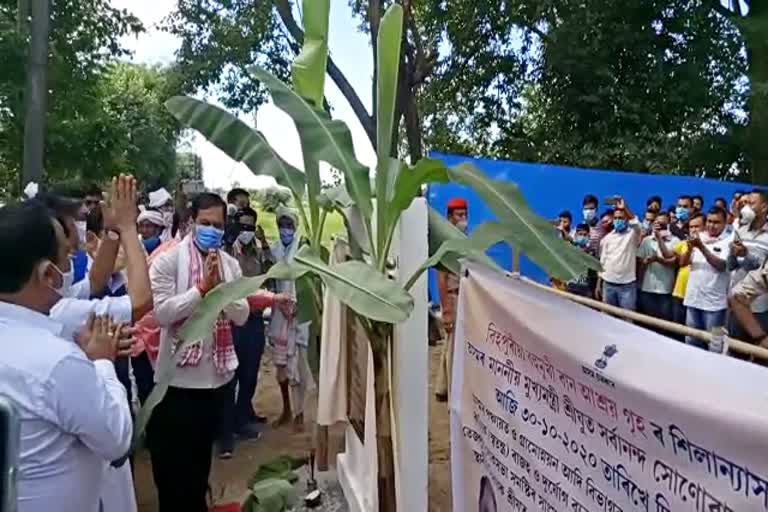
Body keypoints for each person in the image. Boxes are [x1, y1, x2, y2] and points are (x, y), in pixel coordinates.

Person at [0, 201, 133, 512]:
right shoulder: (56, 362)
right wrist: (102, 360)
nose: (71, 261)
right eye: (66, 256)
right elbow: (116, 438)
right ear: (48, 274)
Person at [147, 192, 250, 512]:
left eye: (217, 225)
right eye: (205, 223)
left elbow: (242, 314)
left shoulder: (230, 265)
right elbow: (163, 314)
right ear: (191, 222)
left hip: (213, 387)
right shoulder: (168, 261)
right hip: (174, 388)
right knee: (172, 480)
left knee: (198, 473)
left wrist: (221, 290)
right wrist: (201, 290)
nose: (212, 231)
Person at [217, 206, 276, 459]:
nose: (247, 232)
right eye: (243, 227)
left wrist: (263, 244)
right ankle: (225, 434)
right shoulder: (227, 253)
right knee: (229, 378)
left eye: (251, 227)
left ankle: (242, 420)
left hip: (253, 319)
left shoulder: (257, 253)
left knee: (250, 374)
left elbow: (272, 273)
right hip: (232, 320)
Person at [268, 207, 315, 428]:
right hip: (280, 313)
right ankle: (286, 409)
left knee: (300, 367)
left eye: (289, 225)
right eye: (281, 225)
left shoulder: (303, 249)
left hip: (300, 314)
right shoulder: (275, 250)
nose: (285, 229)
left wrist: (298, 305)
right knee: (281, 366)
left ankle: (300, 413)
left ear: (295, 227)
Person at [680, 207, 731, 348]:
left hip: (715, 306)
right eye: (709, 221)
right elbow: (682, 263)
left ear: (725, 222)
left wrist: (701, 247)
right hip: (692, 300)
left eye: (716, 222)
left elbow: (721, 265)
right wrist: (690, 247)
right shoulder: (698, 237)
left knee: (715, 345)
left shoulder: (730, 240)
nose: (711, 225)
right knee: (691, 342)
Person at [436, 198, 467, 402]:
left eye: (465, 215)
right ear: (450, 217)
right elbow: (441, 278)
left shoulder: (464, 241)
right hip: (452, 297)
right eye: (459, 215)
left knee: (450, 343)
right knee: (454, 347)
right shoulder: (446, 243)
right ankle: (453, 391)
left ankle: (441, 387)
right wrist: (446, 308)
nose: (463, 219)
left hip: (462, 296)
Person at [726, 190, 768, 340]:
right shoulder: (740, 231)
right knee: (735, 351)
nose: (746, 208)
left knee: (759, 353)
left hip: (759, 307)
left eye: (751, 203)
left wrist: (746, 255)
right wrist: (732, 253)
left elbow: (764, 271)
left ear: (764, 207)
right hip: (736, 304)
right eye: (745, 203)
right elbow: (730, 266)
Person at [596, 197, 640, 310]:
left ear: (626, 220)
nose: (618, 220)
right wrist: (598, 284)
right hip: (608, 284)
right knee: (607, 318)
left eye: (621, 218)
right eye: (615, 218)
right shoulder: (607, 238)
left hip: (627, 286)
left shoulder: (632, 235)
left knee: (627, 321)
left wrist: (625, 208)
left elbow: (636, 224)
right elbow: (602, 263)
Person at [637, 211, 679, 327]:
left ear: (669, 223)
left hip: (665, 290)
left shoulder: (675, 241)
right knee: (647, 323)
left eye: (663, 224)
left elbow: (674, 263)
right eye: (657, 223)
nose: (660, 226)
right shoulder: (647, 241)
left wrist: (658, 259)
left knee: (664, 325)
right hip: (647, 288)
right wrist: (645, 262)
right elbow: (640, 260)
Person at [665, 213, 704, 334]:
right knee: (677, 331)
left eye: (697, 226)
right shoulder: (684, 243)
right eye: (691, 227)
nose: (693, 229)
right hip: (680, 292)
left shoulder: (711, 244)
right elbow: (678, 261)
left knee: (695, 334)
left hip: (698, 297)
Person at [565, 223, 596, 297]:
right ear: (575, 235)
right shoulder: (569, 250)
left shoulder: (592, 253)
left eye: (585, 235)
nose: (582, 237)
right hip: (571, 286)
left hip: (585, 289)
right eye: (580, 234)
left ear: (589, 236)